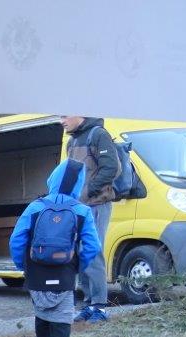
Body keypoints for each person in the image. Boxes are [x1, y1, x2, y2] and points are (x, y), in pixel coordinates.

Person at [10, 160, 101, 337]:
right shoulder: (81, 211)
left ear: (53, 178)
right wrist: (77, 266)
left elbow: (16, 240)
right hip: (65, 273)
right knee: (61, 321)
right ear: (78, 184)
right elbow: (92, 246)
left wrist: (24, 266)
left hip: (36, 273)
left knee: (42, 313)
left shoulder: (35, 207)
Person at [62, 116, 119, 323]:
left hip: (96, 204)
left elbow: (112, 168)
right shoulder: (72, 141)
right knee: (80, 254)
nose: (61, 121)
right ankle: (88, 304)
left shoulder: (99, 135)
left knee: (92, 252)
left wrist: (90, 190)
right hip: (78, 207)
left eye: (64, 115)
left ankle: (99, 306)